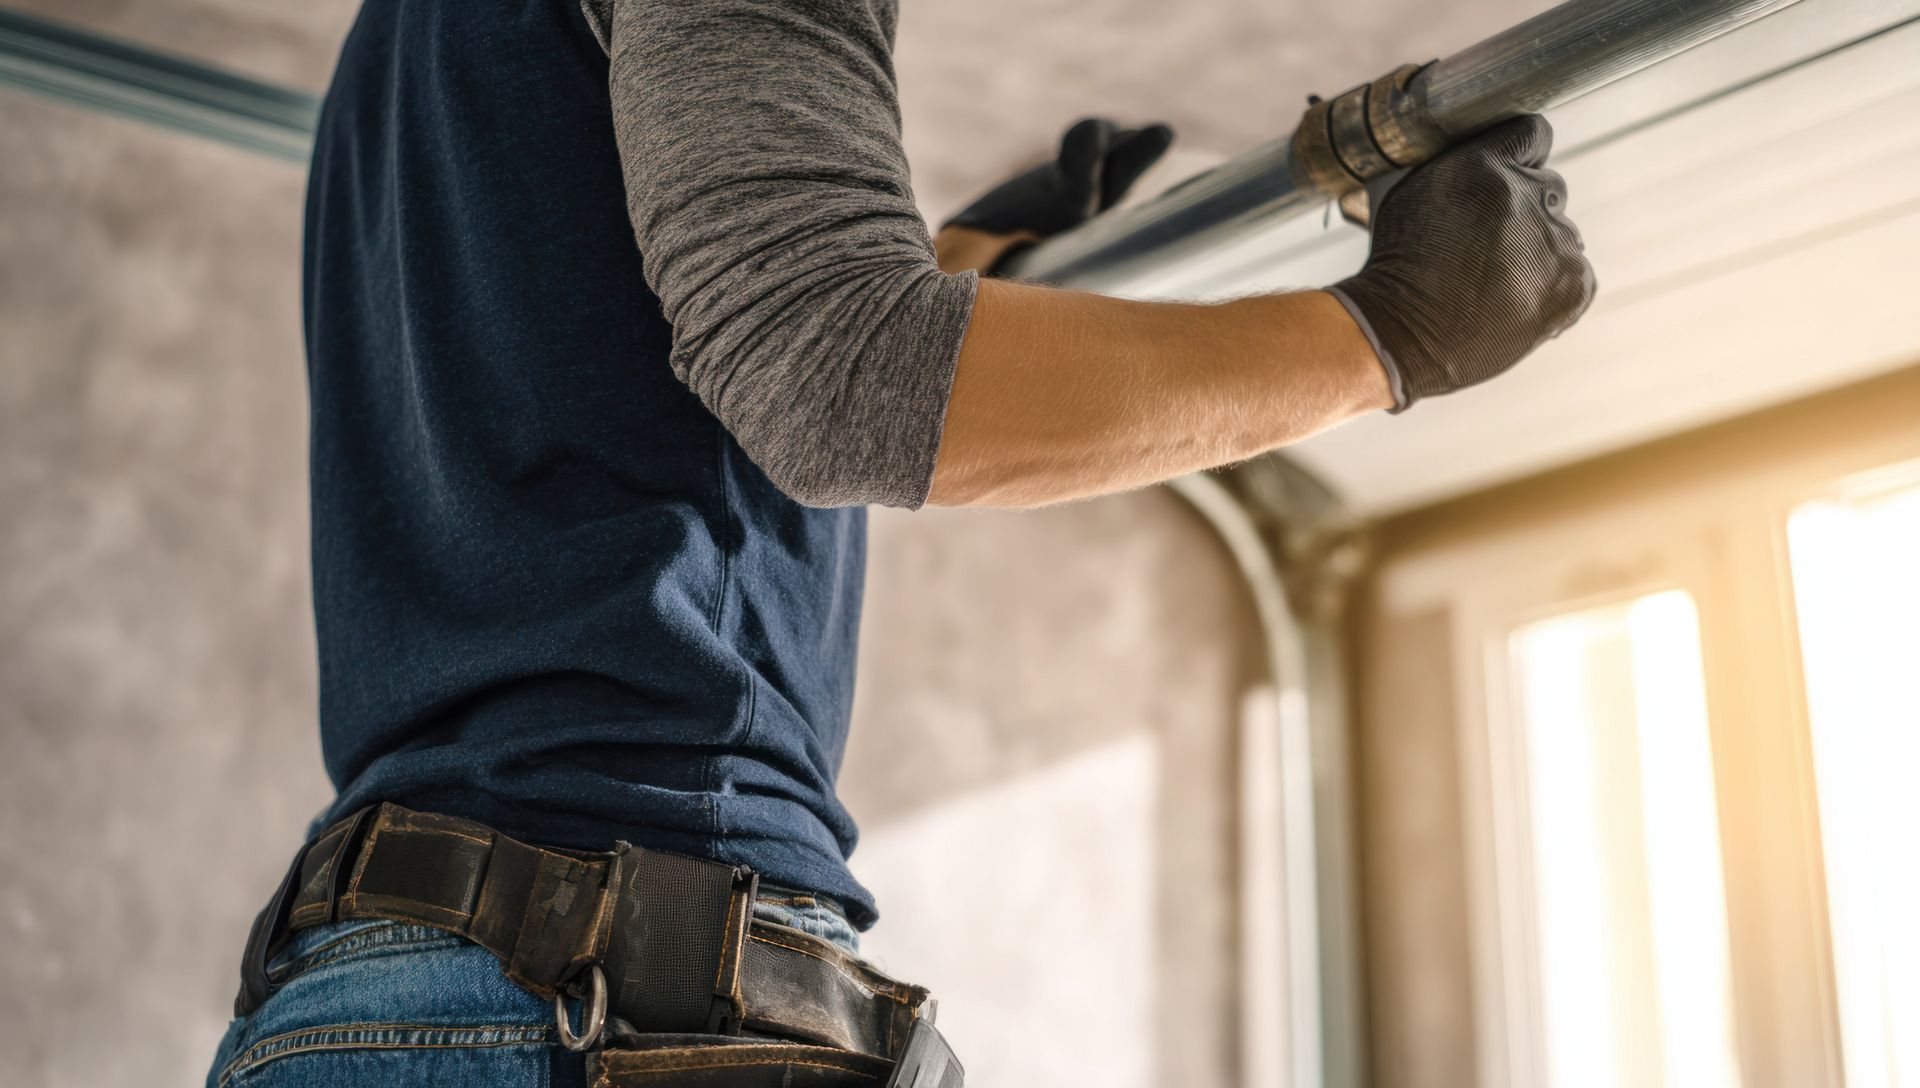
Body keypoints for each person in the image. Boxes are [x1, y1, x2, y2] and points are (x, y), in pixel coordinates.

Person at [207, 0, 1594, 1085]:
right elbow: (837, 391)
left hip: (396, 993)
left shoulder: (403, 43)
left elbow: (625, 397)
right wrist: (1387, 338)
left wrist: (953, 259)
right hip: (594, 1001)